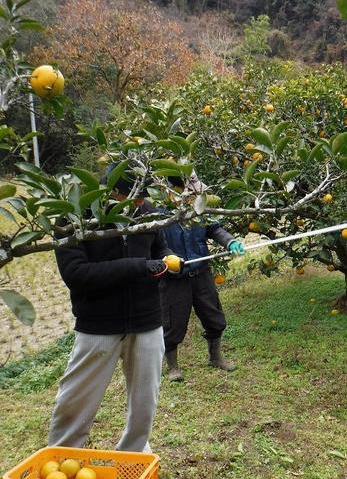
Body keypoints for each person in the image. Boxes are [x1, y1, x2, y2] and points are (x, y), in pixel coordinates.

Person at [49, 164, 181, 452]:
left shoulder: (147, 211)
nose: (137, 203)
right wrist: (139, 267)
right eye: (131, 197)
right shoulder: (75, 216)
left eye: (141, 197)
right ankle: (63, 453)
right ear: (110, 191)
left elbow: (160, 247)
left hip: (147, 321)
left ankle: (134, 452)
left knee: (146, 399)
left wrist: (169, 259)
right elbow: (77, 274)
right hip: (99, 324)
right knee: (77, 397)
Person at [161, 174, 245, 381]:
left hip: (201, 273)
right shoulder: (160, 214)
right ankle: (173, 367)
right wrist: (167, 259)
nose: (194, 195)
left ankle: (215, 357)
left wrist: (230, 241)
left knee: (214, 317)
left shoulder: (198, 210)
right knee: (172, 323)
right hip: (174, 278)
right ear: (173, 191)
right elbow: (154, 244)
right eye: (189, 192)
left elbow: (214, 228)